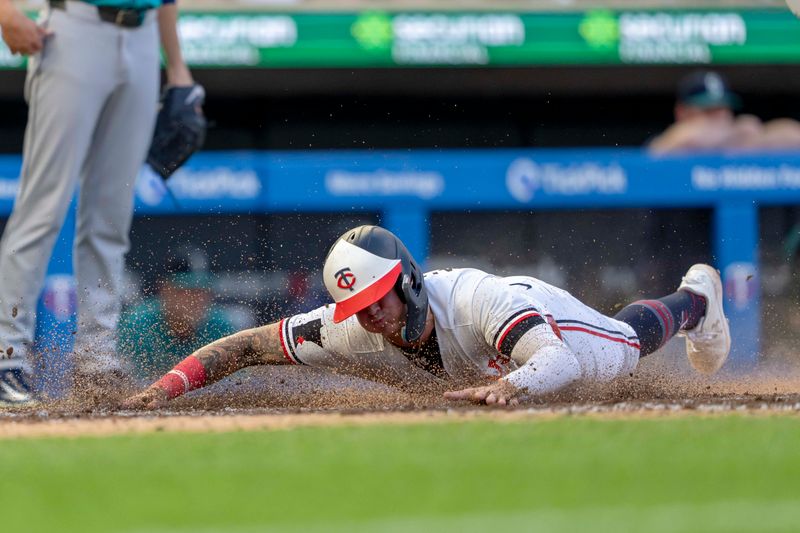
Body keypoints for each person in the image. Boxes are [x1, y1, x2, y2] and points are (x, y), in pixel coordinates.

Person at [123, 225, 730, 409]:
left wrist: (507, 387)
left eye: (377, 301)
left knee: (621, 348)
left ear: (406, 282)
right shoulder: (348, 327)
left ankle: (697, 300)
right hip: (487, 355)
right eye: (357, 309)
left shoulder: (475, 300)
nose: (370, 319)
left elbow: (558, 361)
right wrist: (164, 388)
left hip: (536, 317)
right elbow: (248, 346)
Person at [0, 0, 197, 406]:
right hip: (74, 28)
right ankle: (7, 357)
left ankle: (96, 360)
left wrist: (176, 67)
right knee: (43, 208)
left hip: (142, 36)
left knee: (111, 216)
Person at [117, 246, 236, 382]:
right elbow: (123, 385)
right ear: (165, 289)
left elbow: (237, 385)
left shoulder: (221, 328)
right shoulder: (136, 325)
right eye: (186, 290)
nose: (195, 300)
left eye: (201, 291)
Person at [650, 70, 800, 154]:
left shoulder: (740, 139)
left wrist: (753, 133)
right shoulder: (670, 142)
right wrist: (731, 134)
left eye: (723, 109)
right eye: (709, 110)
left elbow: (794, 136)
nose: (720, 117)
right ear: (681, 112)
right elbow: (661, 150)